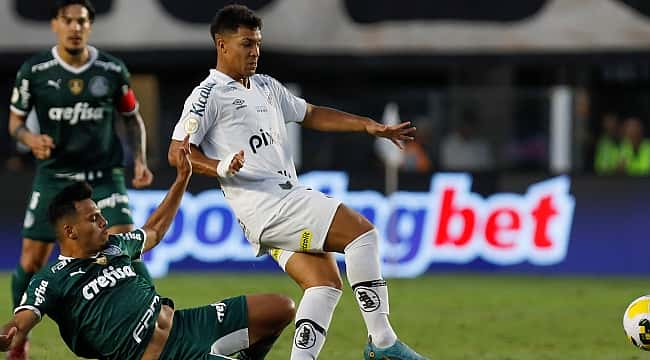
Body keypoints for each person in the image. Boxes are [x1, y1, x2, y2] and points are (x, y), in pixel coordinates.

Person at [168, 5, 427, 359]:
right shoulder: (208, 94)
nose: (254, 52)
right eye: (246, 44)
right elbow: (178, 152)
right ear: (222, 44)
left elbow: (311, 114)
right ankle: (382, 343)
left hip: (276, 209)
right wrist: (220, 166)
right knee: (362, 234)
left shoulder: (266, 87)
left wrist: (367, 125)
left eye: (257, 44)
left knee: (324, 284)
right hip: (270, 204)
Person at [0, 136, 295, 360]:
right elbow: (21, 321)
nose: (104, 221)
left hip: (184, 325)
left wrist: (182, 179)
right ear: (69, 230)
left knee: (281, 308)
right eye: (94, 218)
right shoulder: (52, 279)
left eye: (101, 214)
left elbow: (154, 229)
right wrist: (8, 334)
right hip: (162, 355)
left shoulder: (116, 246)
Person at [7, 1, 154, 357]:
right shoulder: (35, 71)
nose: (75, 27)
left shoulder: (111, 69)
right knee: (31, 261)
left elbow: (132, 118)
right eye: (68, 20)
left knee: (126, 248)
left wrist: (140, 161)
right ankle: (19, 337)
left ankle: (155, 320)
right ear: (56, 24)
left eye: (82, 21)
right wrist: (30, 140)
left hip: (103, 176)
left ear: (90, 26)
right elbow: (15, 124)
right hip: (55, 177)